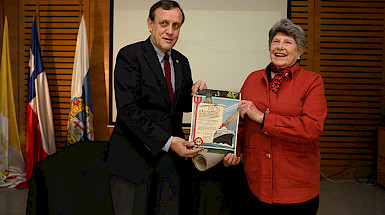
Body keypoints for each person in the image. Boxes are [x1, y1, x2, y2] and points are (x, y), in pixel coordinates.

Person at [107, 1, 238, 214]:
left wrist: (197, 96)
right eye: (164, 23)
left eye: (176, 25)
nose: (170, 31)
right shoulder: (130, 56)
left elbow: (178, 105)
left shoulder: (181, 62)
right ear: (150, 24)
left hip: (171, 164)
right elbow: (128, 110)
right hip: (133, 161)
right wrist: (168, 142)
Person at [237, 18, 327, 214]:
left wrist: (263, 118)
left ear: (300, 51)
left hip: (296, 188)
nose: (280, 47)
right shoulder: (253, 79)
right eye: (276, 41)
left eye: (288, 42)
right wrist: (233, 150)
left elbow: (311, 127)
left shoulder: (313, 82)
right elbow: (240, 122)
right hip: (256, 182)